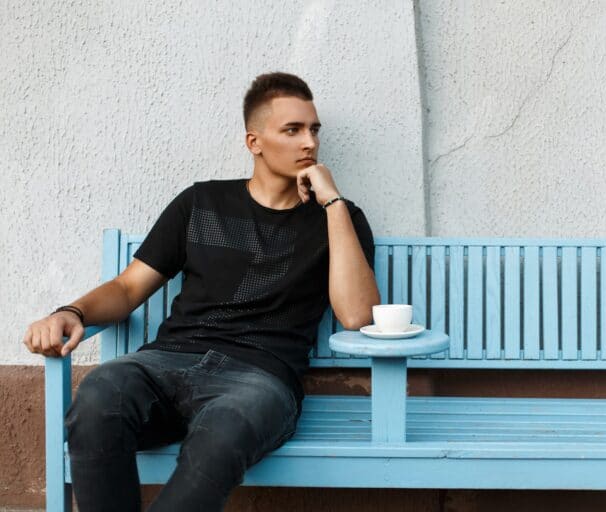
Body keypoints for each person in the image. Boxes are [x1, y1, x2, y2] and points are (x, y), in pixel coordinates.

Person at [23, 72, 380, 511]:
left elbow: (357, 314)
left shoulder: (339, 220)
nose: (309, 142)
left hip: (260, 378)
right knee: (100, 396)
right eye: (293, 130)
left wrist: (333, 204)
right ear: (255, 142)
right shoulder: (201, 204)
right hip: (167, 361)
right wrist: (73, 311)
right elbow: (128, 286)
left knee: (223, 434)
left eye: (314, 130)